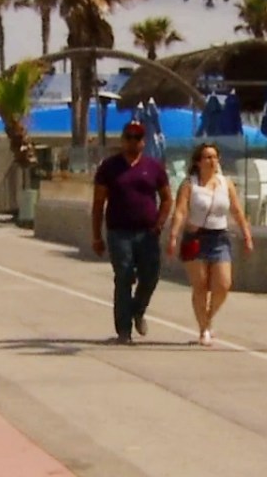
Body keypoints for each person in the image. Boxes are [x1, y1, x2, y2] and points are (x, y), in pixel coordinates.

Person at [91, 120, 172, 345]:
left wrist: (160, 223)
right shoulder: (109, 167)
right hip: (119, 233)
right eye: (129, 136)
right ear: (122, 139)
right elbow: (98, 203)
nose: (133, 141)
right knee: (124, 276)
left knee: (150, 276)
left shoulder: (154, 167)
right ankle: (123, 331)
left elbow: (166, 199)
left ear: (143, 142)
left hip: (148, 233)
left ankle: (138, 310)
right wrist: (96, 236)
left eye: (137, 137)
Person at [166, 142, 253, 346]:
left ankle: (207, 317)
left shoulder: (226, 183)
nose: (212, 161)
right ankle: (204, 328)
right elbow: (179, 212)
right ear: (198, 161)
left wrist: (247, 235)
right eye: (207, 157)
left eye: (215, 157)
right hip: (195, 238)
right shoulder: (190, 185)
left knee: (223, 285)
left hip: (219, 238)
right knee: (201, 286)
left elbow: (237, 211)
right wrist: (173, 236)